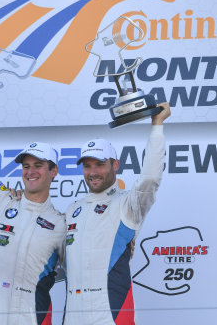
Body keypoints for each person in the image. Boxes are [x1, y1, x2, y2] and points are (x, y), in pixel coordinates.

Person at [0, 75, 65, 325]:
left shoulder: (61, 223)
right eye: (26, 165)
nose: (30, 171)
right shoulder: (1, 201)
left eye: (38, 165)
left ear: (53, 171)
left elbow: (86, 265)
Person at [63, 102, 171, 325]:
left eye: (100, 164)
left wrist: (157, 126)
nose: (93, 172)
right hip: (73, 316)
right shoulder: (73, 210)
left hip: (110, 314)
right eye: (87, 166)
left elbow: (150, 178)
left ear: (115, 165)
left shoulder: (128, 203)